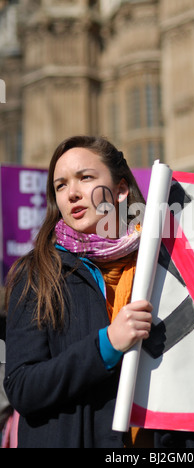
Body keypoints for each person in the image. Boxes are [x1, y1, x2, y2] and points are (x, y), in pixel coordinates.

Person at [3, 136, 153, 448]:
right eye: (60, 186)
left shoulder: (163, 264)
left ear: (122, 190)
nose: (72, 193)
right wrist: (106, 346)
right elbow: (22, 387)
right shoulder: (36, 273)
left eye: (85, 178)